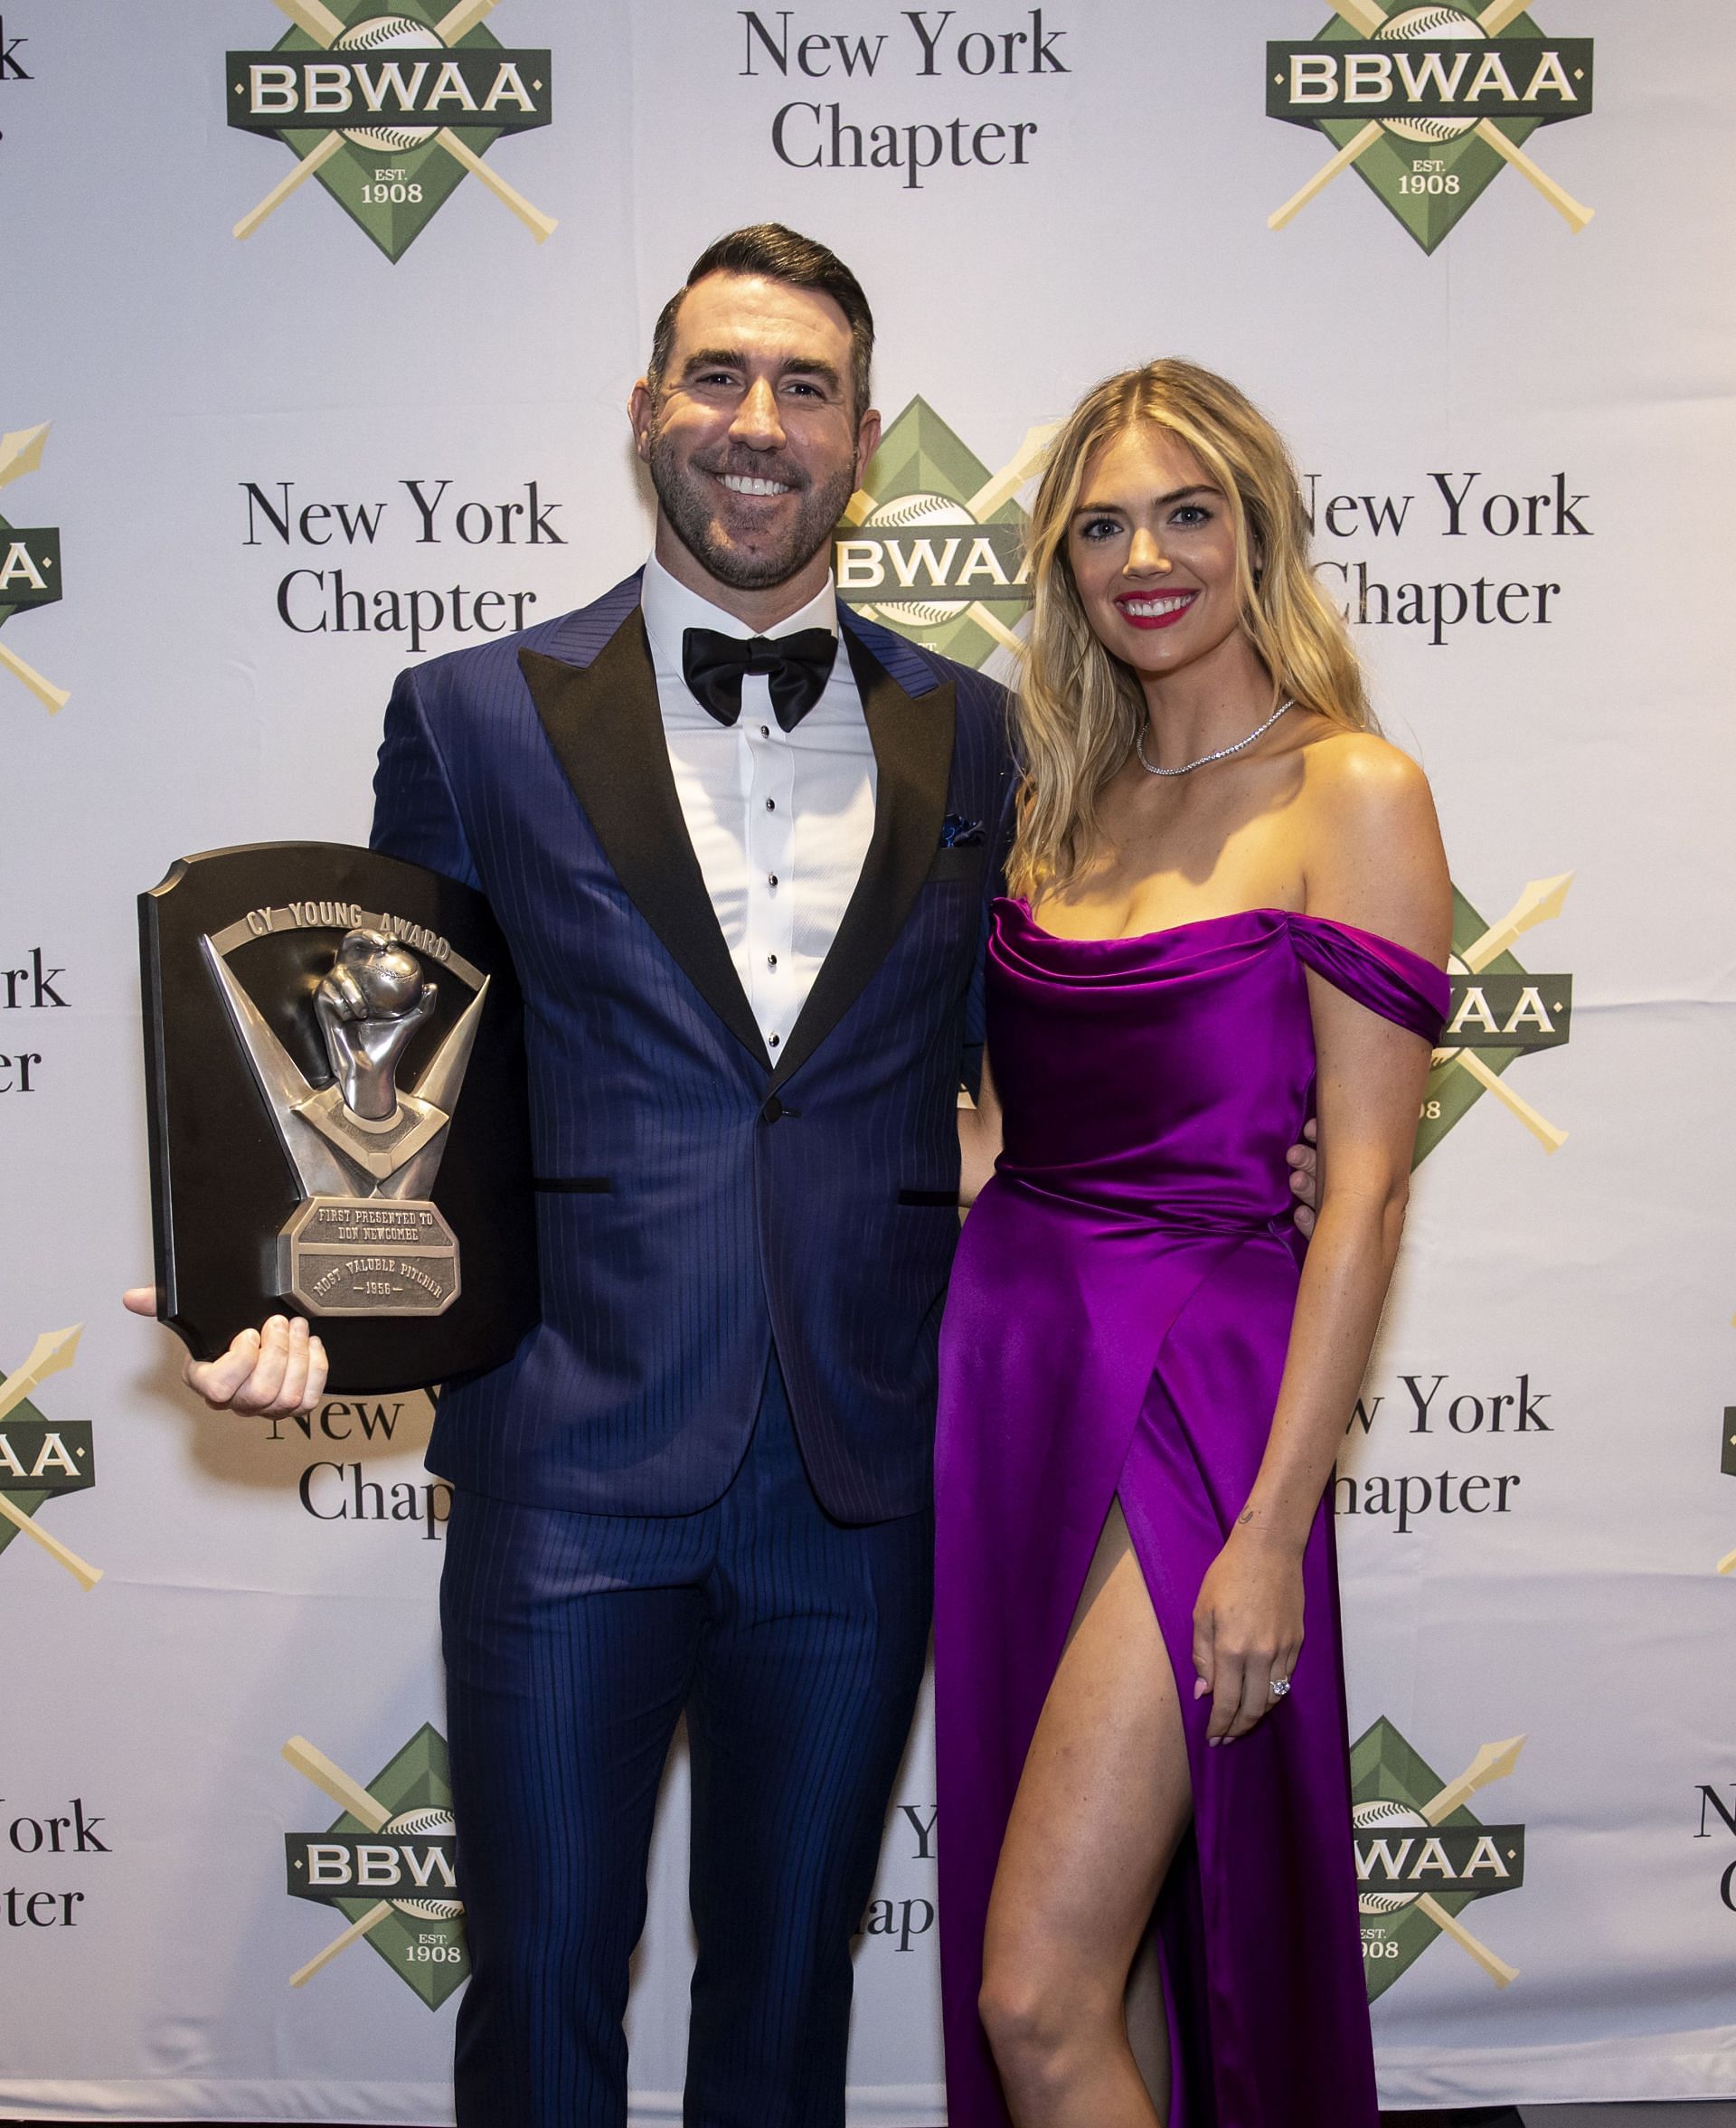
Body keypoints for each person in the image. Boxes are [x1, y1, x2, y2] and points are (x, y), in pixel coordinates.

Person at [124, 241, 1320, 2125]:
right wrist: (279, 1305)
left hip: (861, 1480)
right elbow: (386, 1077)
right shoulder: (469, 716)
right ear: (646, 410)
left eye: (806, 389)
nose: (756, 428)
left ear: (861, 445)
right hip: (564, 1465)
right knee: (541, 1994)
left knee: (785, 1997)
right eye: (716, 379)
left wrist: (1252, 1146)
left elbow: (1055, 1050)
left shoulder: (984, 735)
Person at [933, 360, 1450, 2128]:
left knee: (1037, 1994)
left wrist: (1272, 1532)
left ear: (1257, 531)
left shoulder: (1351, 790)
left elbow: (1365, 1189)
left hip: (1199, 1400)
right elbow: (1008, 1125)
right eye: (1100, 527)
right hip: (1014, 1376)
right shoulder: (1049, 795)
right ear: (1061, 564)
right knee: (1102, 1975)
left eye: (1186, 513)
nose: (1143, 557)